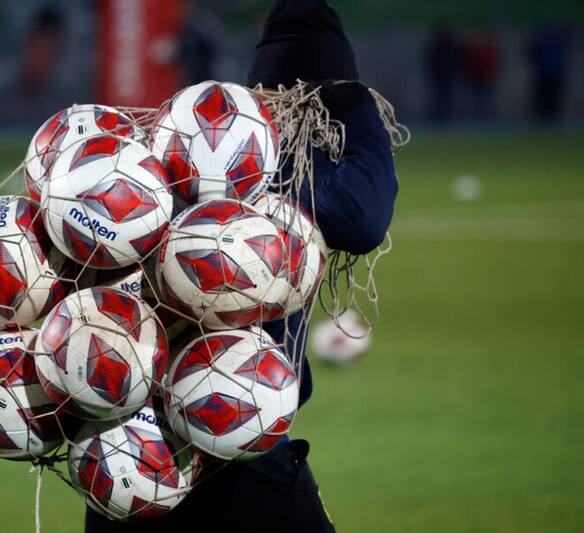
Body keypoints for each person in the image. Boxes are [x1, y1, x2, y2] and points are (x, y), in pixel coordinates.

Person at [85, 1, 398, 531]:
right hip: (231, 425)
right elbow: (363, 218)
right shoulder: (285, 173)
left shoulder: (165, 160)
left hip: (123, 442)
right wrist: (358, 105)